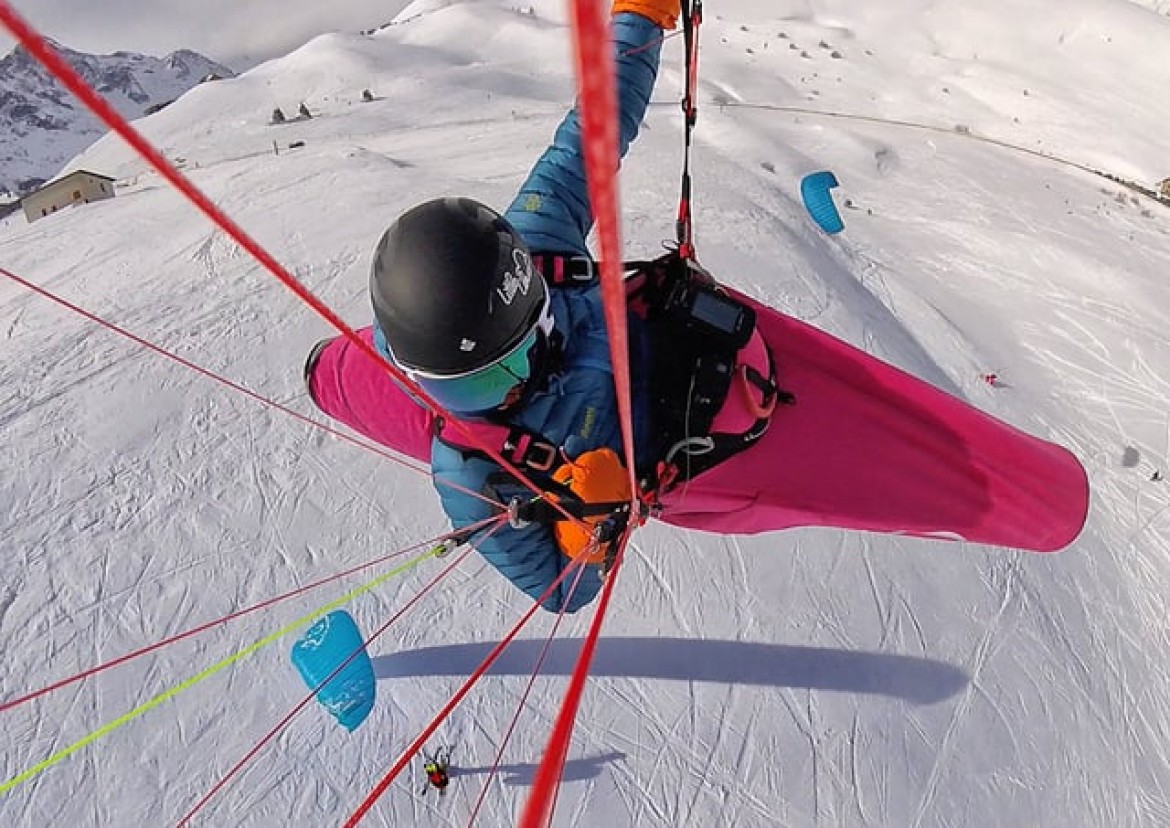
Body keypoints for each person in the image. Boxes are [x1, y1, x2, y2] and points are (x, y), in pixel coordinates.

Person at [306, 0, 1089, 615]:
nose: (509, 388)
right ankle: (1037, 509)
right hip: (705, 468)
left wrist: (639, 21)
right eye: (475, 386)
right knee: (921, 480)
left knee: (919, 425)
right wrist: (587, 533)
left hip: (717, 351)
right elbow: (558, 592)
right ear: (421, 376)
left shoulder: (535, 238)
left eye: (522, 349)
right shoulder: (468, 468)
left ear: (534, 296)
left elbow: (593, 130)